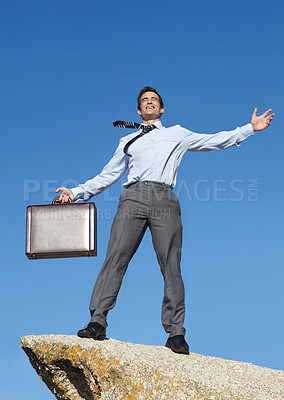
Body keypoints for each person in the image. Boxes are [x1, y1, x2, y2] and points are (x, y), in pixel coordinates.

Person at [56, 86, 274, 355]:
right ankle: (97, 321)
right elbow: (107, 176)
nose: (149, 103)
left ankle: (176, 333)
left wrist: (249, 129)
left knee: (171, 264)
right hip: (132, 197)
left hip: (165, 198)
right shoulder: (127, 140)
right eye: (145, 100)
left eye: (154, 100)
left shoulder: (177, 134)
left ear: (161, 109)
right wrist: (76, 192)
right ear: (138, 110)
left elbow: (213, 140)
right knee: (115, 257)